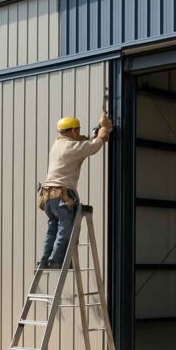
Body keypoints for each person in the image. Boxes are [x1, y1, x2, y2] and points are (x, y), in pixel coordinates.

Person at [38, 113, 113, 269]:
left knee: (53, 228)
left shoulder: (57, 145)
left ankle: (45, 259)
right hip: (62, 195)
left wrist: (91, 135)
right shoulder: (72, 148)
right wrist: (104, 129)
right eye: (77, 131)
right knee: (65, 229)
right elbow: (94, 146)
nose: (79, 134)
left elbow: (81, 143)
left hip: (47, 196)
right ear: (73, 131)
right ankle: (57, 261)